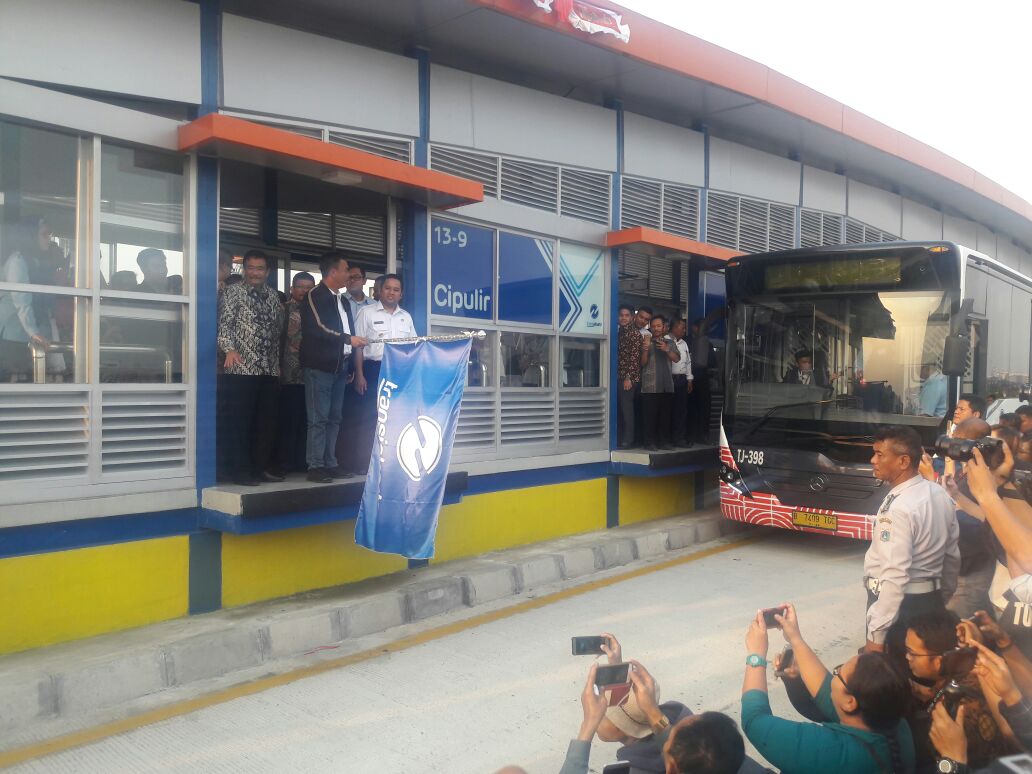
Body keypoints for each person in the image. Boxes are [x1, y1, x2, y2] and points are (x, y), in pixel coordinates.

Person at [741, 604, 916, 774]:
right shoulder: (896, 726)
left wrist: (756, 655)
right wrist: (795, 638)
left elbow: (754, 720)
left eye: (838, 672)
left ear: (850, 703)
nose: (833, 677)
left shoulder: (832, 751)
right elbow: (824, 688)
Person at [865, 426, 959, 663]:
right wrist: (938, 600)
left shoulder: (899, 508)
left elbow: (895, 575)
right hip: (931, 600)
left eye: (880, 454)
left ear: (903, 461)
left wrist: (876, 636)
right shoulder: (939, 494)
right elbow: (952, 557)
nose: (873, 460)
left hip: (901, 608)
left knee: (894, 673)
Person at [561, 661, 751, 774]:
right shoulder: (729, 762)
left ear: (672, 768)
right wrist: (651, 710)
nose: (665, 726)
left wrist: (588, 726)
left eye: (669, 736)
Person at [902, 610, 1017, 771]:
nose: (907, 657)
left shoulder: (953, 711)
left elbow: (948, 766)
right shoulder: (981, 677)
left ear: (939, 661)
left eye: (911, 652)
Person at [216, 249, 285, 486]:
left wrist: (277, 364)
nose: (255, 273)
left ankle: (258, 468)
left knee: (265, 423)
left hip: (268, 368)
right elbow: (224, 326)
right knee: (240, 423)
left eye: (260, 269)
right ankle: (240, 471)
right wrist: (229, 349)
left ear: (267, 271)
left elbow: (277, 331)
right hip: (241, 368)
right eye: (251, 268)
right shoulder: (233, 292)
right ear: (244, 269)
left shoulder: (273, 296)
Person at [299, 253, 368, 484]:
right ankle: (315, 466)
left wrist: (350, 362)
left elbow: (348, 330)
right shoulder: (314, 295)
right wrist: (348, 340)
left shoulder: (342, 300)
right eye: (346, 270)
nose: (349, 274)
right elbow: (318, 328)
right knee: (318, 418)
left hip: (341, 366)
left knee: (334, 417)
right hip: (319, 366)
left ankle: (330, 463)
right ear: (333, 272)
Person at [350, 274, 415, 475]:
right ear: (379, 290)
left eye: (396, 289)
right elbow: (358, 347)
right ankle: (364, 465)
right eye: (388, 288)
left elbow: (413, 348)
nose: (391, 293)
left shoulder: (406, 317)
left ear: (401, 294)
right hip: (373, 369)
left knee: (395, 418)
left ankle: (390, 463)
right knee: (369, 418)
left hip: (399, 372)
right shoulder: (366, 313)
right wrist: (359, 374)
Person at [938, 418, 998, 619]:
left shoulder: (986, 476)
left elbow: (987, 517)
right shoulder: (966, 470)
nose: (951, 446)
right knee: (981, 617)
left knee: (959, 622)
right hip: (962, 562)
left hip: (974, 565)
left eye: (957, 441)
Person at [0, 216, 59, 382]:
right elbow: (22, 300)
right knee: (15, 383)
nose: (49, 239)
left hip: (27, 335)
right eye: (45, 234)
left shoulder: (35, 262)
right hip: (13, 336)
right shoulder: (17, 262)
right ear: (31, 236)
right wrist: (34, 332)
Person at [276, 271, 315, 475]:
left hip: (313, 374)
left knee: (309, 420)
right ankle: (285, 463)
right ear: (292, 288)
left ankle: (303, 461)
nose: (305, 291)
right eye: (301, 286)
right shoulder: (283, 309)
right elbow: (275, 339)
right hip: (288, 374)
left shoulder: (318, 311)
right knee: (288, 419)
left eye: (309, 287)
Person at [640, 315, 680, 451]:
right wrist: (645, 349)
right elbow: (642, 363)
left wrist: (667, 349)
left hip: (667, 385)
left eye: (658, 326)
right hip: (650, 386)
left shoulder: (670, 343)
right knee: (649, 417)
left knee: (665, 417)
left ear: (664, 327)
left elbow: (676, 359)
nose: (656, 328)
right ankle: (649, 443)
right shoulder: (646, 342)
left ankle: (664, 442)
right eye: (653, 326)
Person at [617, 304, 643, 449]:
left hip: (628, 379)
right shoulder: (619, 332)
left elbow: (634, 358)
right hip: (618, 376)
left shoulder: (634, 334)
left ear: (632, 317)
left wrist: (628, 378)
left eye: (627, 315)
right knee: (620, 409)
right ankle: (621, 438)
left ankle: (629, 440)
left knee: (627, 410)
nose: (623, 318)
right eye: (621, 315)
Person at [670, 319, 694, 448]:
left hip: (682, 380)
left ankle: (679, 438)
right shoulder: (666, 340)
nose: (685, 330)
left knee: (681, 411)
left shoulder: (684, 343)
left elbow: (688, 362)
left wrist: (689, 379)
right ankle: (669, 438)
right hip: (669, 379)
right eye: (682, 328)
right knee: (669, 410)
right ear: (674, 328)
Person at [689, 318, 713, 443]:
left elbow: (712, 362)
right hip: (689, 378)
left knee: (704, 408)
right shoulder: (687, 341)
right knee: (692, 408)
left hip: (702, 378)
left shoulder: (707, 343)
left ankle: (703, 435)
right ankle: (692, 435)